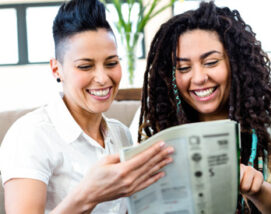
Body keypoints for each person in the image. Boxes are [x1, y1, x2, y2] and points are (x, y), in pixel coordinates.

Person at [0, 0, 174, 213]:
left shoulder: (120, 135)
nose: (102, 78)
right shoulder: (31, 134)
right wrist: (88, 194)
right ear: (57, 69)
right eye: (85, 66)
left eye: (111, 63)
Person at [138, 1, 271, 213]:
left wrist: (259, 191)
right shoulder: (160, 128)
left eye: (211, 62)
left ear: (236, 62)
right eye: (184, 67)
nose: (198, 78)